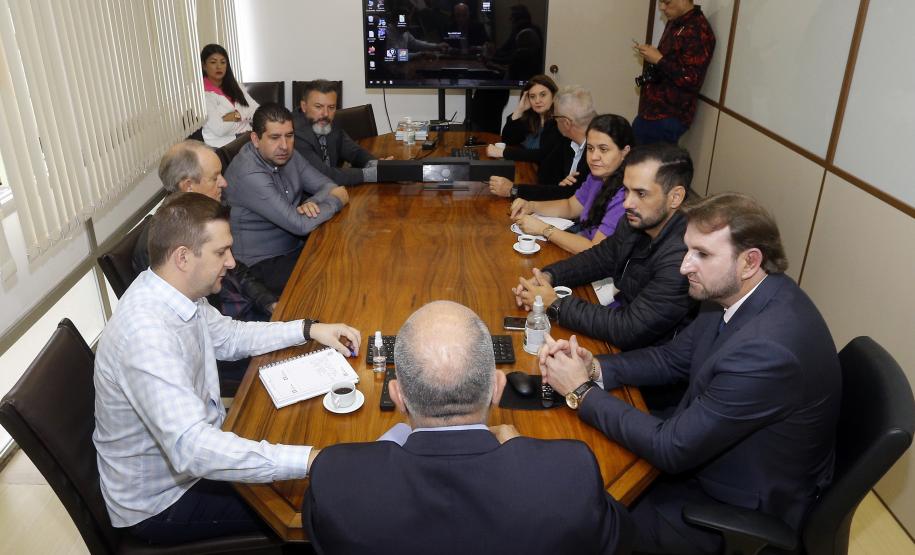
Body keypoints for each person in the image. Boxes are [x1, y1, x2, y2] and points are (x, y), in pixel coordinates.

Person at [538, 192, 841, 555]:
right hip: (709, 450)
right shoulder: (740, 295)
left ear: (750, 262)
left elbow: (671, 448)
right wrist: (596, 368)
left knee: (576, 521)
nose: (684, 267)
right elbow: (674, 358)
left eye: (702, 254)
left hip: (731, 502)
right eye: (687, 250)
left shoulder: (768, 350)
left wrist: (582, 391)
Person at [94, 192, 361, 545]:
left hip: (192, 461)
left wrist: (308, 329)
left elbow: (231, 336)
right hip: (163, 502)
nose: (233, 262)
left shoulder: (174, 291)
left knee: (305, 458)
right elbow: (194, 450)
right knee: (319, 508)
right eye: (222, 252)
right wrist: (310, 459)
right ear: (183, 257)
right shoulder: (147, 335)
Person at [301, 301, 632, 554]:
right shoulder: (570, 473)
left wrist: (390, 441)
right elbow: (619, 537)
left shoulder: (335, 479)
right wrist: (521, 447)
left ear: (397, 397)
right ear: (498, 389)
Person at [513, 143, 696, 351]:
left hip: (647, 359)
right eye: (626, 191)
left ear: (675, 197)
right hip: (619, 327)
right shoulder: (635, 221)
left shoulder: (684, 259)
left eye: (641, 194)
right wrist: (548, 276)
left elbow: (630, 329)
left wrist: (556, 303)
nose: (627, 203)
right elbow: (599, 258)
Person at [132, 140, 277, 321]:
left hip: (251, 309)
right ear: (188, 186)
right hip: (228, 327)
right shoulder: (162, 243)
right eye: (215, 177)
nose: (224, 183)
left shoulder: (208, 213)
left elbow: (236, 269)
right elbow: (201, 321)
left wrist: (268, 302)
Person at [224, 103, 349, 297]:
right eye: (274, 137)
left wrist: (313, 203)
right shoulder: (249, 173)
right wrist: (336, 201)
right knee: (332, 280)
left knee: (345, 256)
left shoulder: (288, 155)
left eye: (289, 136)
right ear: (256, 139)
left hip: (293, 249)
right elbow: (300, 224)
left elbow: (327, 185)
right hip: (260, 266)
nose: (284, 145)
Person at [510, 114, 634, 255]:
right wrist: (531, 206)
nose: (594, 157)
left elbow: (595, 251)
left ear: (625, 152)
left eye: (603, 149)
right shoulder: (596, 177)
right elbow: (570, 206)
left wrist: (543, 229)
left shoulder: (627, 195)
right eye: (590, 148)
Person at [488, 85, 597, 201]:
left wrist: (513, 189)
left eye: (556, 117)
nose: (554, 120)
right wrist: (563, 188)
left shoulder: (594, 155)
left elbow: (572, 197)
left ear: (566, 123)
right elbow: (556, 186)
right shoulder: (569, 143)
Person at [632, 0, 715, 145]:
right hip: (653, 110)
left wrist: (659, 59)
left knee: (647, 164)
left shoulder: (698, 30)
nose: (662, 8)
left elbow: (691, 79)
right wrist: (654, 56)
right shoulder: (675, 22)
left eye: (667, 2)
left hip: (668, 116)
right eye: (660, 2)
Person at [292, 79, 390, 186]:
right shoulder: (293, 133)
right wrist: (371, 174)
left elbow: (355, 152)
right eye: (318, 107)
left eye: (331, 107)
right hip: (306, 199)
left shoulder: (326, 122)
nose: (325, 113)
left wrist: (377, 165)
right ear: (304, 106)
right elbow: (321, 175)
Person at [485, 75, 562, 168]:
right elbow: (508, 140)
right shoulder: (531, 117)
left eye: (543, 95)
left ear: (553, 96)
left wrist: (503, 152)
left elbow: (542, 154)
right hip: (528, 169)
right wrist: (519, 110)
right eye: (532, 96)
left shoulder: (559, 121)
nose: (537, 101)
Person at [200, 44, 259, 148]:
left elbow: (257, 111)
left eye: (223, 62)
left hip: (246, 137)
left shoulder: (235, 86)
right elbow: (220, 129)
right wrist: (244, 116)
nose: (219, 66)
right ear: (204, 66)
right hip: (222, 147)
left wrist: (236, 115)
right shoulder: (202, 94)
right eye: (213, 62)